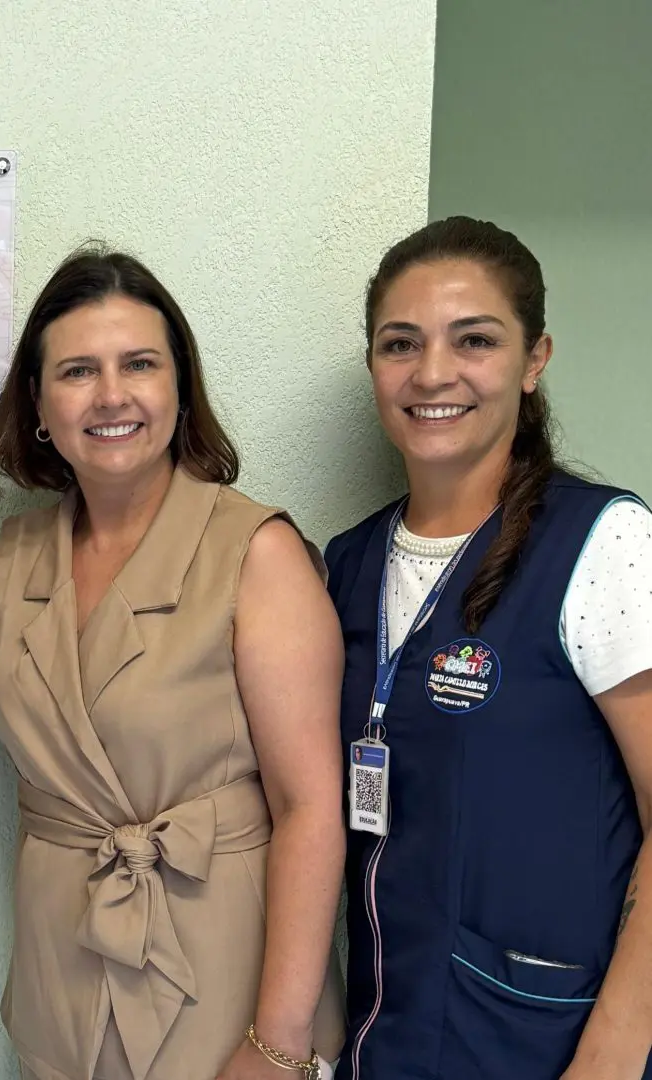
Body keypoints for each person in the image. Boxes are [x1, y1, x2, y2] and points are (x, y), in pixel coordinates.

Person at [0, 244, 346, 1080]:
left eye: (139, 364)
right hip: (63, 967)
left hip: (220, 977)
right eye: (78, 371)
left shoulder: (255, 552)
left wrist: (278, 1042)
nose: (111, 394)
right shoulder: (21, 553)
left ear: (180, 390)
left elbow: (309, 809)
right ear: (39, 405)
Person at [326, 216, 652, 1080]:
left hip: (546, 1043)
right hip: (387, 1037)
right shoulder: (348, 564)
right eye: (401, 343)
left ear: (534, 358)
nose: (432, 372)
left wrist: (611, 1060)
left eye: (474, 339)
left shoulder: (603, 543)